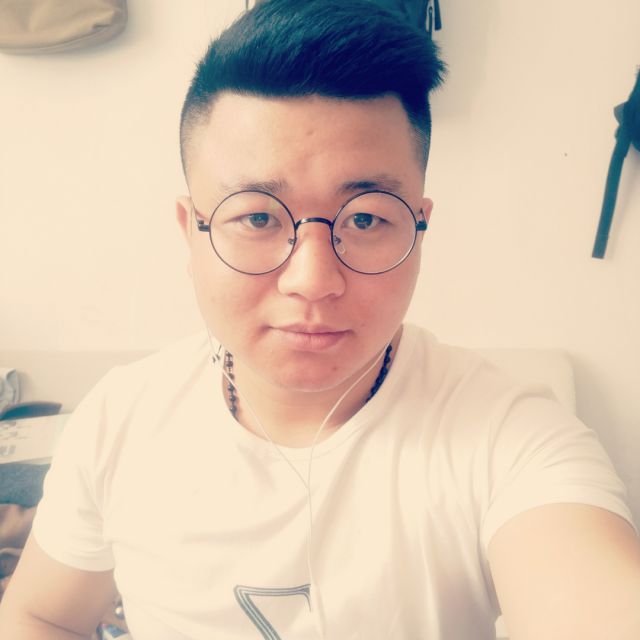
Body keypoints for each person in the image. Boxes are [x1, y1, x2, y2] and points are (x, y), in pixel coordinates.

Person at [1, 0, 640, 638]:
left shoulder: (514, 440)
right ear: (190, 230)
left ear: (419, 226)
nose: (312, 279)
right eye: (257, 216)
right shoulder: (117, 422)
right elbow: (39, 614)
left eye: (365, 218)